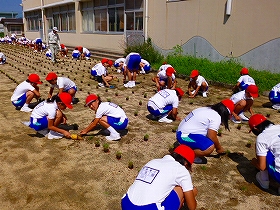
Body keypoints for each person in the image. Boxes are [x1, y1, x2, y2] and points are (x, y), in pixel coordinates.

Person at [121, 144, 197, 210]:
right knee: (181, 189)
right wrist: (192, 193)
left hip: (126, 204)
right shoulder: (181, 169)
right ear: (186, 163)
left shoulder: (153, 161)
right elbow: (192, 207)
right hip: (148, 208)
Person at [176, 99, 234, 164]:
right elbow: (212, 136)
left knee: (206, 141)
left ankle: (185, 147)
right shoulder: (216, 116)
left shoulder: (206, 109)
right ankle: (185, 155)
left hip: (181, 132)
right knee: (209, 147)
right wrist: (219, 148)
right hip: (184, 135)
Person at [249, 114, 280, 192]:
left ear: (255, 128)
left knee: (264, 152)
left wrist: (254, 161)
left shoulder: (262, 137)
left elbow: (262, 166)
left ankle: (264, 180)